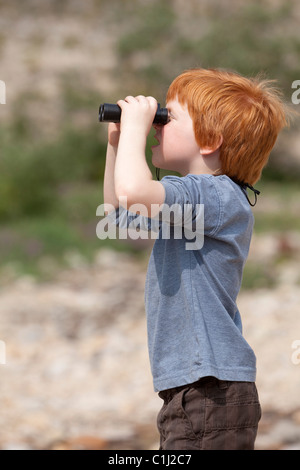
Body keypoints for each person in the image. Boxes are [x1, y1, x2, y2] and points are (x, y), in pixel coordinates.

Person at [102, 68, 289, 450]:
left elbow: (134, 190)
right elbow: (120, 216)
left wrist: (137, 132)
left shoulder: (218, 198)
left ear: (210, 140)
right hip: (194, 390)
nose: (157, 125)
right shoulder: (190, 199)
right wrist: (118, 144)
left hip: (211, 390)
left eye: (167, 117)